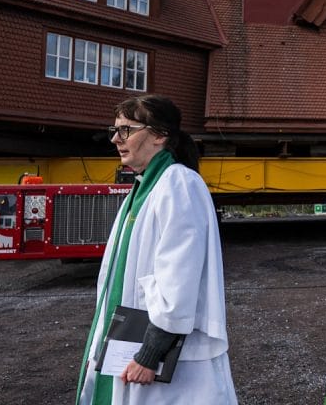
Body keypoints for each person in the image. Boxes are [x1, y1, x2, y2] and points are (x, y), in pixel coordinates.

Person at [76, 94, 237, 404]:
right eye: (115, 129)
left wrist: (150, 355)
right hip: (129, 347)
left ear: (160, 135)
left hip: (164, 363)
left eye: (125, 130)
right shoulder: (144, 187)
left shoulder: (178, 185)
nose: (115, 138)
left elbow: (179, 282)